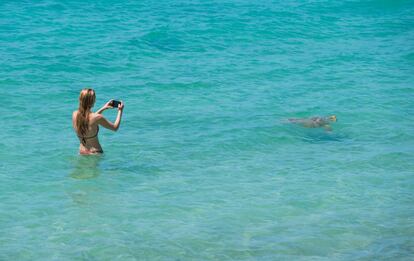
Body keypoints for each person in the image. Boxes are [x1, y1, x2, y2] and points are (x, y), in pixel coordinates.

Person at [72, 88, 124, 155]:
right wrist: (120, 111)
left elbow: (90, 120)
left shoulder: (74, 114)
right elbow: (115, 128)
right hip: (95, 153)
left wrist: (104, 108)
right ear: (92, 101)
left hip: (82, 152)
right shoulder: (97, 118)